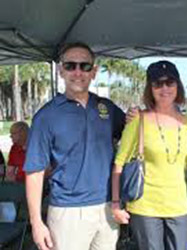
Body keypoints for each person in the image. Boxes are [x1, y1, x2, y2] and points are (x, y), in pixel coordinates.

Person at [24, 42, 125, 250]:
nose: (77, 72)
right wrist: (36, 223)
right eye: (70, 66)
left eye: (84, 66)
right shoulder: (46, 116)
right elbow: (34, 171)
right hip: (67, 212)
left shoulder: (106, 108)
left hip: (107, 208)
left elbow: (132, 132)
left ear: (94, 71)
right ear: (61, 70)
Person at [111, 60, 187, 250]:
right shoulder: (138, 120)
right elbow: (119, 163)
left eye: (170, 82)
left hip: (178, 206)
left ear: (178, 85)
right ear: (150, 89)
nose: (164, 88)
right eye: (157, 84)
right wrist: (116, 203)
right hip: (145, 206)